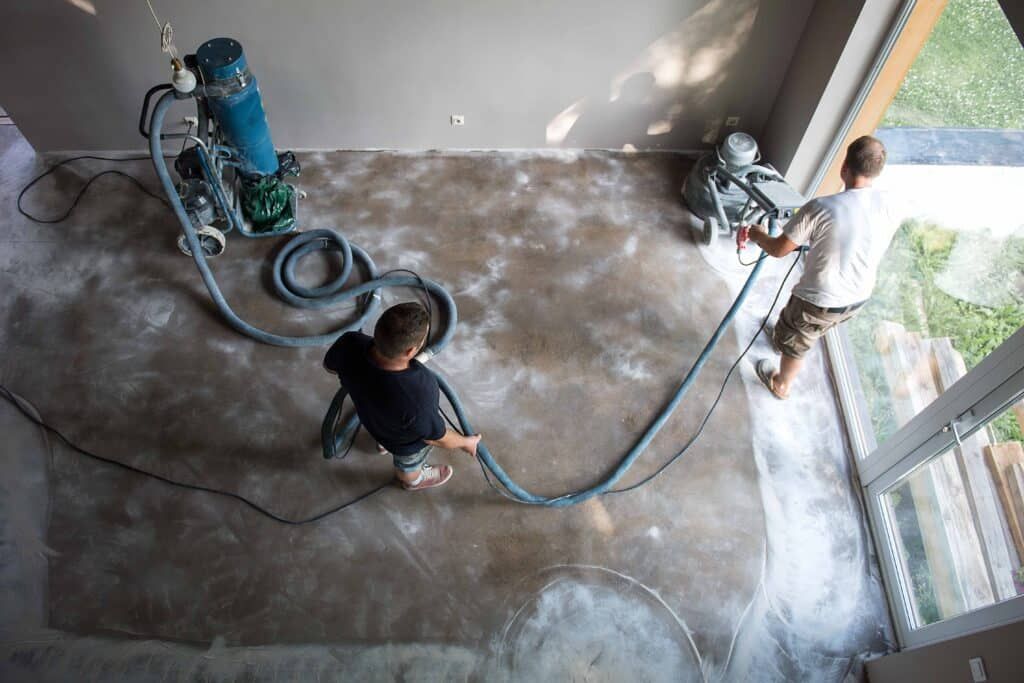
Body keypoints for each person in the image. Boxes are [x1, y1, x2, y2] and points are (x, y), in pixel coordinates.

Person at [736, 135, 899, 400]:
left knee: (797, 343)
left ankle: (782, 384)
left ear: (844, 167)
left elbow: (779, 249)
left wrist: (757, 234)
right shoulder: (891, 204)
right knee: (805, 326)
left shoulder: (821, 207)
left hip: (819, 300)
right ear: (878, 172)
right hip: (858, 297)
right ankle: (783, 337)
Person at [323, 302, 481, 491]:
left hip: (370, 418)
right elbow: (435, 437)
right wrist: (466, 442)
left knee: (386, 420)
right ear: (410, 351)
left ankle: (383, 444)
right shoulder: (419, 392)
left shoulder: (351, 342)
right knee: (408, 464)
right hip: (402, 442)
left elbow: (329, 366)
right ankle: (412, 480)